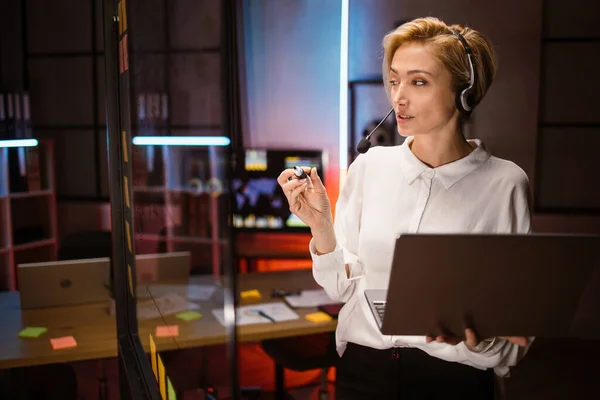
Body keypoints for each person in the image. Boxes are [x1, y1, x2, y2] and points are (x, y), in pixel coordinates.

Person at [277, 17, 533, 399]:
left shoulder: (505, 183)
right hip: (362, 372)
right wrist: (322, 229)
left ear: (464, 92)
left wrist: (482, 339)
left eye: (418, 82)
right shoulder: (369, 167)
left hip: (452, 379)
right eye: (395, 80)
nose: (398, 97)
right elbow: (340, 289)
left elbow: (514, 332)